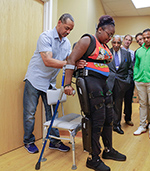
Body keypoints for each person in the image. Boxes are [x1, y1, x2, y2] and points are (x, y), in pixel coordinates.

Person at [64, 15, 126, 171]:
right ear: (100, 29)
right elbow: (71, 60)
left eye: (112, 35)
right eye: (109, 34)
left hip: (103, 83)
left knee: (109, 117)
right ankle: (93, 158)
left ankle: (108, 150)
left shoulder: (104, 46)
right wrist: (66, 84)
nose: (110, 38)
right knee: (97, 119)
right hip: (90, 82)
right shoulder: (88, 40)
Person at [23, 13, 77, 154]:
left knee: (53, 113)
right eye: (66, 28)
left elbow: (70, 61)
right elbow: (48, 61)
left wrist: (77, 63)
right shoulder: (45, 37)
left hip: (50, 82)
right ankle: (28, 141)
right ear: (59, 23)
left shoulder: (67, 43)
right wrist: (70, 64)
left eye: (70, 30)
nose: (68, 32)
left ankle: (54, 141)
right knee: (30, 113)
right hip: (35, 80)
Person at [107, 35, 133, 134]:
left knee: (118, 104)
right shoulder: (107, 53)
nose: (116, 45)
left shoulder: (126, 54)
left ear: (121, 43)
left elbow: (130, 68)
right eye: (114, 42)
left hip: (121, 83)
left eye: (118, 43)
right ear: (111, 43)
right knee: (108, 104)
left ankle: (116, 125)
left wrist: (127, 80)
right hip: (109, 83)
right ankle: (108, 124)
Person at [121, 34, 135, 126]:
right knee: (117, 100)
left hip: (129, 79)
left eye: (130, 40)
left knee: (128, 100)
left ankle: (128, 118)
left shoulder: (132, 53)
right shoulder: (118, 51)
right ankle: (116, 120)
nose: (128, 41)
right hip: (119, 79)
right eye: (126, 39)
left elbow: (133, 66)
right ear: (123, 40)